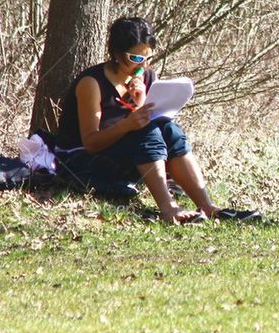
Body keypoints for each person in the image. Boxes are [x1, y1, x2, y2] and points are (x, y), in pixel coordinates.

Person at [54, 16, 260, 224]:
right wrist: (128, 123)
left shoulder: (146, 77)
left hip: (127, 153)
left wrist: (141, 103)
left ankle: (207, 206)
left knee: (169, 130)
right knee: (147, 132)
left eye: (148, 58)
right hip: (82, 161)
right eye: (135, 59)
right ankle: (168, 208)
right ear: (116, 54)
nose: (142, 64)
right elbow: (90, 143)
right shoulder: (92, 83)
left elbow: (147, 123)